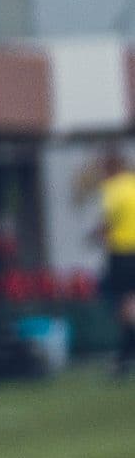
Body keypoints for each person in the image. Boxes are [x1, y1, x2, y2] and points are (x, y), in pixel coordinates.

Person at [95, 149, 135, 379]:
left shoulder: (113, 190)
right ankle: (122, 360)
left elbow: (107, 222)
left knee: (125, 309)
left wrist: (94, 236)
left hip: (122, 253)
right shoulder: (132, 183)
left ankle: (121, 360)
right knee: (129, 306)